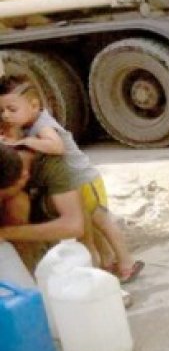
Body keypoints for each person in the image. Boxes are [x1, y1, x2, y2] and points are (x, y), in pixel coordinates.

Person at [0, 79, 143, 281]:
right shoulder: (30, 125)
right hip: (75, 181)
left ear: (34, 105)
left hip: (84, 180)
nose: (6, 115)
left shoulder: (42, 126)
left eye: (11, 109)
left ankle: (126, 262)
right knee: (92, 225)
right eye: (2, 111)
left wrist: (24, 141)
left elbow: (57, 147)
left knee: (103, 222)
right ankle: (107, 263)